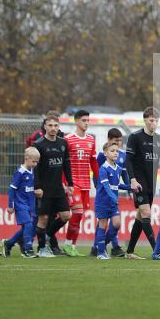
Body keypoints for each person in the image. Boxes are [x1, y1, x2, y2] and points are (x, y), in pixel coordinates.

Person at [126, 107, 160, 259]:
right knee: (146, 213)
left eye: (156, 121)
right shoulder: (135, 137)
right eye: (152, 120)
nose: (154, 123)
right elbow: (128, 161)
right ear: (145, 120)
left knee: (141, 217)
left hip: (151, 183)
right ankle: (156, 250)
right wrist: (132, 179)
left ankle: (129, 252)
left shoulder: (159, 139)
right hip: (139, 182)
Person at [32, 114, 74, 257]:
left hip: (58, 188)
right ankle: (41, 248)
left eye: (56, 125)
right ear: (45, 127)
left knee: (66, 215)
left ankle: (47, 236)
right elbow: (35, 168)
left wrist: (70, 183)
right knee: (43, 219)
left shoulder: (63, 143)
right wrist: (37, 186)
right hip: (44, 189)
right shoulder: (38, 144)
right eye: (50, 125)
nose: (53, 128)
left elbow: (66, 164)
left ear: (59, 127)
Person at [63, 110, 99, 257]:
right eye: (84, 120)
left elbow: (93, 161)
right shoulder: (68, 139)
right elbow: (64, 163)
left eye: (88, 120)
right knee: (77, 213)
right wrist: (65, 182)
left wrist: (99, 178)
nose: (86, 123)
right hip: (73, 183)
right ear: (76, 121)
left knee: (80, 215)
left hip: (85, 184)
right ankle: (66, 243)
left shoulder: (91, 140)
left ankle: (72, 246)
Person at [93, 128, 128, 257]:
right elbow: (103, 181)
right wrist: (103, 190)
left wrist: (130, 188)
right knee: (102, 223)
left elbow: (118, 182)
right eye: (113, 151)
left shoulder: (118, 165)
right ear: (106, 153)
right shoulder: (103, 165)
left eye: (117, 151)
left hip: (113, 200)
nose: (116, 152)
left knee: (116, 223)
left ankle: (101, 245)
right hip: (103, 198)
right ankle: (101, 251)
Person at [3, 147, 39, 258]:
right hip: (20, 204)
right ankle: (28, 249)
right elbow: (12, 189)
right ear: (26, 158)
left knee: (26, 227)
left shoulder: (32, 171)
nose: (35, 164)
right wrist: (10, 205)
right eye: (33, 161)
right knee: (28, 225)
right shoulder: (20, 172)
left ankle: (9, 243)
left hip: (30, 204)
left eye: (37, 162)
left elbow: (29, 187)